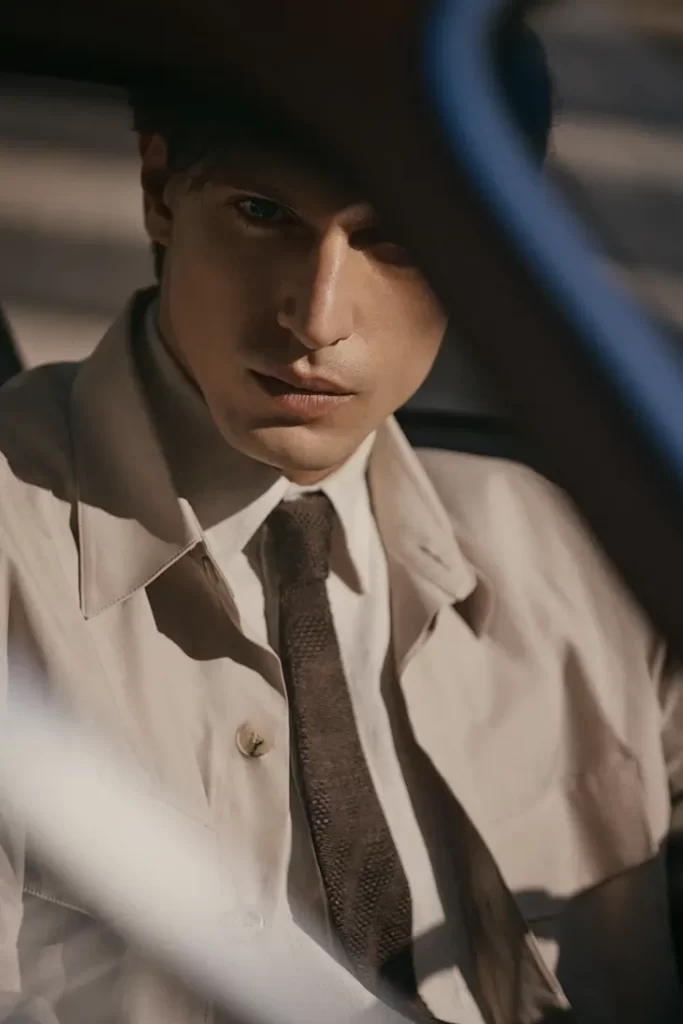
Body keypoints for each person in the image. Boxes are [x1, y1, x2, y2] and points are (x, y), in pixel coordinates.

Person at [0, 19, 681, 1024]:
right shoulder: (16, 558)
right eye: (261, 212)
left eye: (396, 238)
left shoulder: (578, 552)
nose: (317, 319)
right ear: (158, 191)